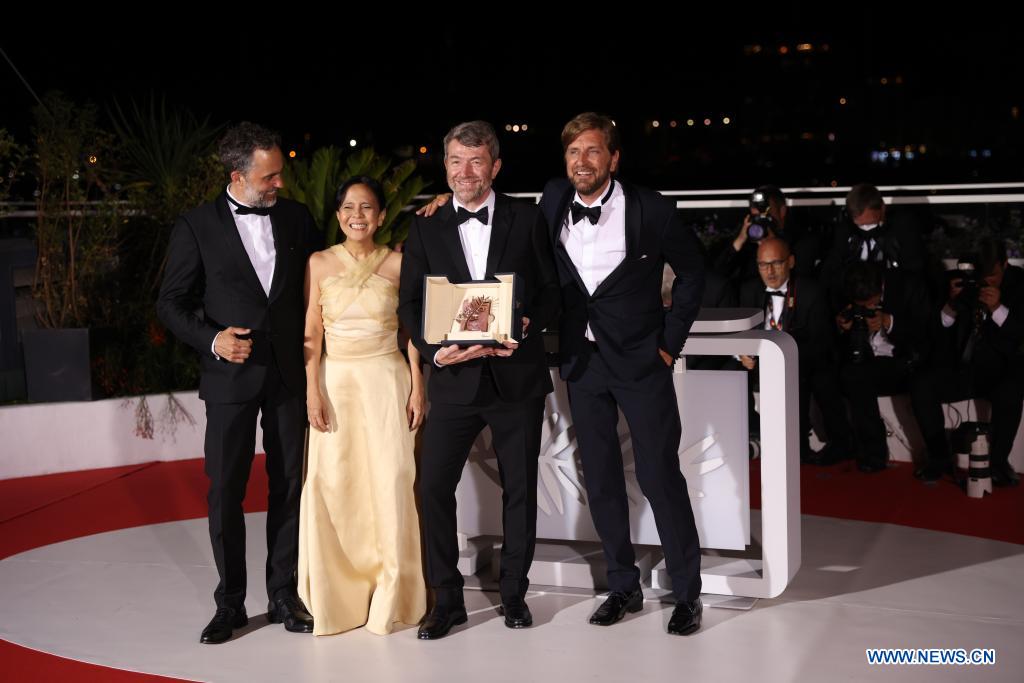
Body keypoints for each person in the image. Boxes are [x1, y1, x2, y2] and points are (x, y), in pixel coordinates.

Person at [538, 112, 705, 636]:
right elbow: (505, 230)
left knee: (658, 475)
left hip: (640, 362)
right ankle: (622, 585)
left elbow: (695, 272)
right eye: (572, 153)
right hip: (583, 364)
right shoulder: (550, 202)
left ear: (613, 158)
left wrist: (668, 345)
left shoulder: (650, 208)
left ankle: (686, 594)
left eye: (591, 152)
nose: (581, 162)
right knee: (603, 479)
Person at [397, 121, 560, 640]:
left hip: (516, 376)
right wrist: (434, 352)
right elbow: (409, 306)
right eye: (455, 162)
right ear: (444, 167)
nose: (465, 172)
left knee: (520, 490)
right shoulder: (424, 226)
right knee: (433, 488)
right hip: (452, 380)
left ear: (495, 166)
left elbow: (552, 291)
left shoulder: (527, 218)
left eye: (475, 161)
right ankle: (447, 600)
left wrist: (529, 321)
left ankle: (513, 593)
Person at [157, 122, 316, 644]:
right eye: (269, 177)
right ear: (238, 175)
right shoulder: (197, 225)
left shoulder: (296, 218)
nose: (279, 185)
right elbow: (170, 303)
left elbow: (327, 279)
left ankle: (282, 594)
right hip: (229, 376)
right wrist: (213, 340)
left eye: (279, 175)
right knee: (226, 488)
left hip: (290, 373)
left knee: (289, 485)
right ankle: (229, 603)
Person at [297, 176, 428, 635]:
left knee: (392, 478)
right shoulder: (318, 262)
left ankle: (392, 589)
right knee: (335, 482)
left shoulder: (397, 264)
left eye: (367, 207)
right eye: (350, 207)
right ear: (338, 214)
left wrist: (418, 386)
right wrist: (312, 389)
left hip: (386, 378)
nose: (358, 215)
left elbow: (411, 331)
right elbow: (311, 331)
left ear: (380, 214)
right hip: (336, 381)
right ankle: (341, 596)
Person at [910, 238, 1023, 485]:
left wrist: (998, 309)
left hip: (1001, 369)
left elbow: (1020, 335)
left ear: (1005, 264)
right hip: (962, 366)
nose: (986, 281)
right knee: (922, 384)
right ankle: (938, 457)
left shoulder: (1020, 284)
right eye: (982, 275)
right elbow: (935, 332)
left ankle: (998, 463)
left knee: (1012, 390)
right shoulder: (961, 280)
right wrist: (951, 304)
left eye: (992, 275)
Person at [737, 237, 853, 464]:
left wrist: (782, 358)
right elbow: (740, 333)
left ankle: (825, 444)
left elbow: (820, 341)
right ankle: (751, 435)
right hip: (759, 362)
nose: (769, 272)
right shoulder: (748, 290)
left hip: (800, 361)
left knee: (820, 375)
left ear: (790, 262)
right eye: (763, 264)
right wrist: (743, 353)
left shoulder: (811, 291)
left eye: (776, 263)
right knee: (732, 372)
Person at [836, 262, 929, 472]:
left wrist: (889, 322)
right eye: (862, 303)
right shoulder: (848, 286)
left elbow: (925, 333)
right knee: (851, 375)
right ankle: (873, 453)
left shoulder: (908, 285)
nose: (868, 307)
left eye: (871, 302)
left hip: (903, 359)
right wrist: (843, 325)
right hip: (866, 358)